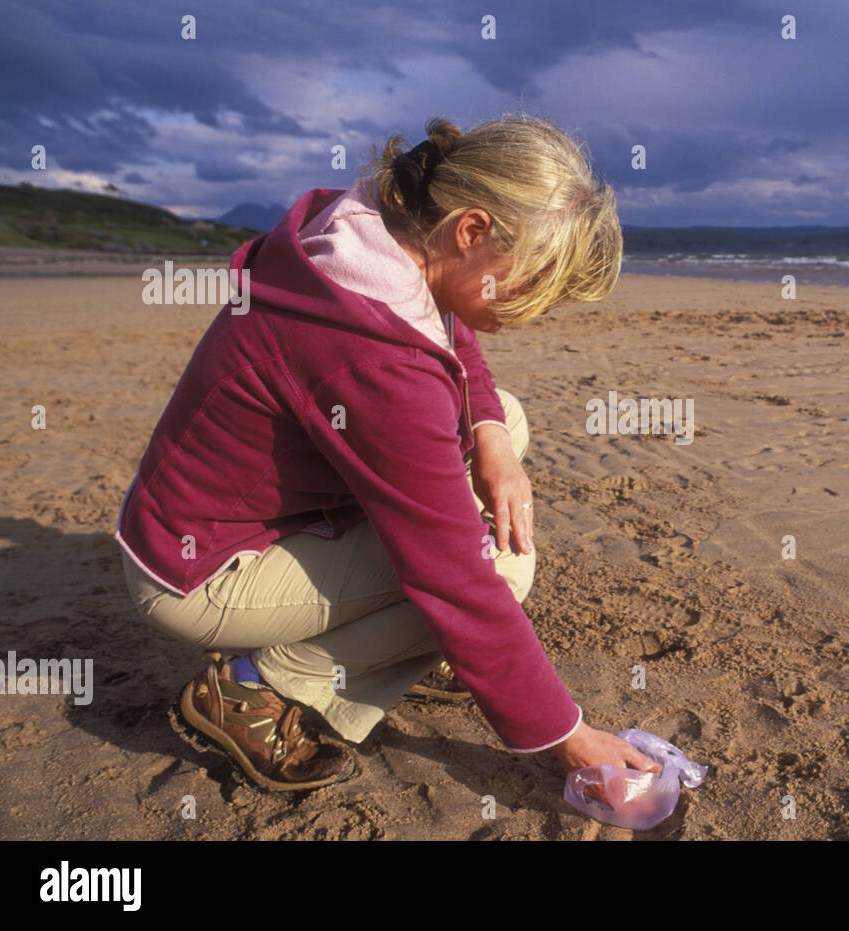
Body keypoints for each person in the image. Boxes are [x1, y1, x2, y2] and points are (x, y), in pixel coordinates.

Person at [115, 113, 662, 792]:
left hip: (183, 514)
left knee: (505, 419)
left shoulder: (372, 226)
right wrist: (569, 736)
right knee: (502, 567)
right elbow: (456, 583)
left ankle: (391, 646)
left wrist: (490, 433)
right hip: (203, 571)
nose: (532, 310)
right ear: (471, 230)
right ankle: (258, 684)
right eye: (528, 284)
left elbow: (444, 324)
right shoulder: (378, 365)